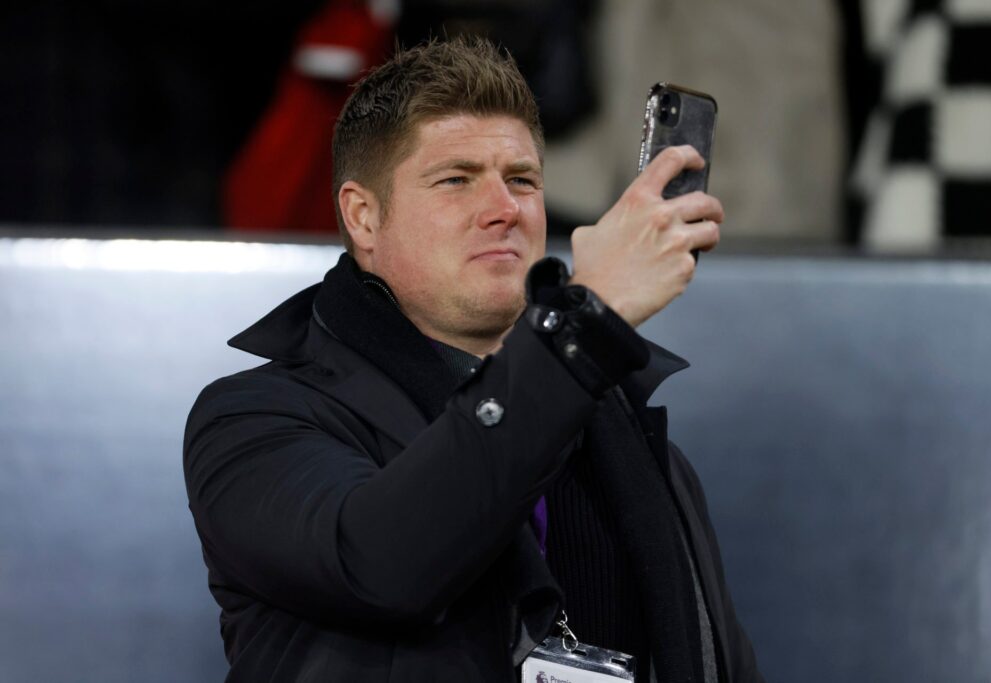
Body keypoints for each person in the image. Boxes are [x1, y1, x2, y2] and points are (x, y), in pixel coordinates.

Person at [184, 37, 764, 683]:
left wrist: (576, 347)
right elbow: (384, 561)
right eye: (456, 180)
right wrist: (583, 323)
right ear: (363, 217)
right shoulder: (253, 419)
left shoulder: (634, 434)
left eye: (522, 180)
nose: (504, 209)